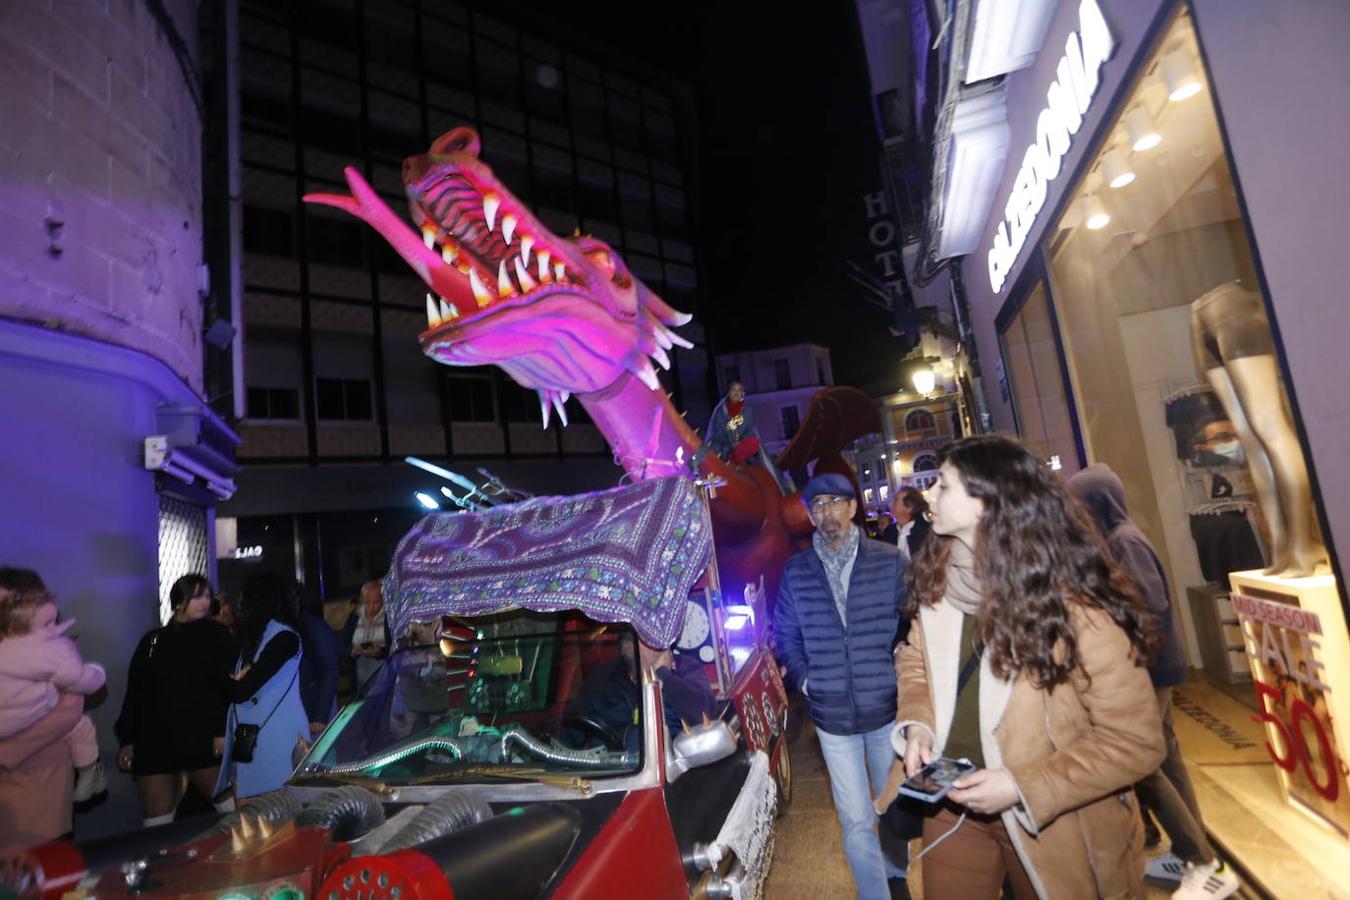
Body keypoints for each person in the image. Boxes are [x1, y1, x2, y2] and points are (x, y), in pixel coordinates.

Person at [876, 435, 1165, 899]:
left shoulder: (1076, 610)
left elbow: (1137, 741)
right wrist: (918, 726)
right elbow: (914, 659)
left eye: (943, 486)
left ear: (988, 502)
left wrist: (1021, 785)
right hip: (951, 807)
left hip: (1049, 819)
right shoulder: (939, 585)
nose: (927, 494)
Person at [1069, 464, 1239, 899]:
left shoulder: (1125, 541)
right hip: (1148, 666)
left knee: (1145, 765)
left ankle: (1204, 862)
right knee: (1165, 759)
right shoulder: (1117, 539)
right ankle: (1192, 850)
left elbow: (1147, 602)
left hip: (1149, 668)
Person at [773, 472, 909, 900]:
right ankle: (876, 894)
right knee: (853, 817)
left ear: (853, 508)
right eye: (818, 506)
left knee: (889, 806)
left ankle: (895, 877)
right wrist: (806, 680)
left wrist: (901, 663)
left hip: (884, 707)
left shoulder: (889, 561)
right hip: (831, 715)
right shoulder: (796, 571)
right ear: (810, 516)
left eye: (835, 503)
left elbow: (913, 619)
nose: (827, 512)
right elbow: (785, 633)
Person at [115, 574, 237, 825]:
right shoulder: (153, 640)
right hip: (156, 738)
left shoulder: (218, 635)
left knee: (231, 809)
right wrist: (127, 738)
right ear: (178, 601)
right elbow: (137, 692)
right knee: (156, 818)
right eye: (195, 596)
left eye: (206, 595)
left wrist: (220, 729)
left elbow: (227, 686)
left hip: (202, 735)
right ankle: (162, 862)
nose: (203, 602)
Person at [0, 568, 107, 805]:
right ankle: (89, 772)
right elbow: (80, 685)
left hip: (34, 791)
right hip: (32, 793)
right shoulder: (46, 651)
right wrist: (97, 673)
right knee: (82, 727)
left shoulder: (26, 646)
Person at [214, 573, 309, 801]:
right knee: (250, 827)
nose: (240, 606)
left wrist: (217, 675)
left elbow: (242, 690)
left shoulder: (284, 638)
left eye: (246, 600)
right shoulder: (254, 637)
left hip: (277, 742)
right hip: (251, 743)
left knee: (280, 825)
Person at [575, 634, 715, 751]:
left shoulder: (685, 668)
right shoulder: (604, 676)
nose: (658, 646)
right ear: (629, 649)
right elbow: (576, 725)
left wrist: (664, 675)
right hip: (611, 768)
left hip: (673, 769)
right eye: (647, 640)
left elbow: (705, 715)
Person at [296, 583, 339, 736]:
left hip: (316, 705)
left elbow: (329, 669)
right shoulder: (303, 625)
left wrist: (320, 715)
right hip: (310, 704)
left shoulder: (315, 627)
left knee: (320, 753)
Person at [344, 580, 391, 689]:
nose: (371, 608)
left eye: (375, 603)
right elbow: (341, 645)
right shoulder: (354, 617)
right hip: (361, 679)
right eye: (367, 603)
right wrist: (353, 650)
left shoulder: (389, 616)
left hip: (385, 676)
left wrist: (381, 652)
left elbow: (398, 647)